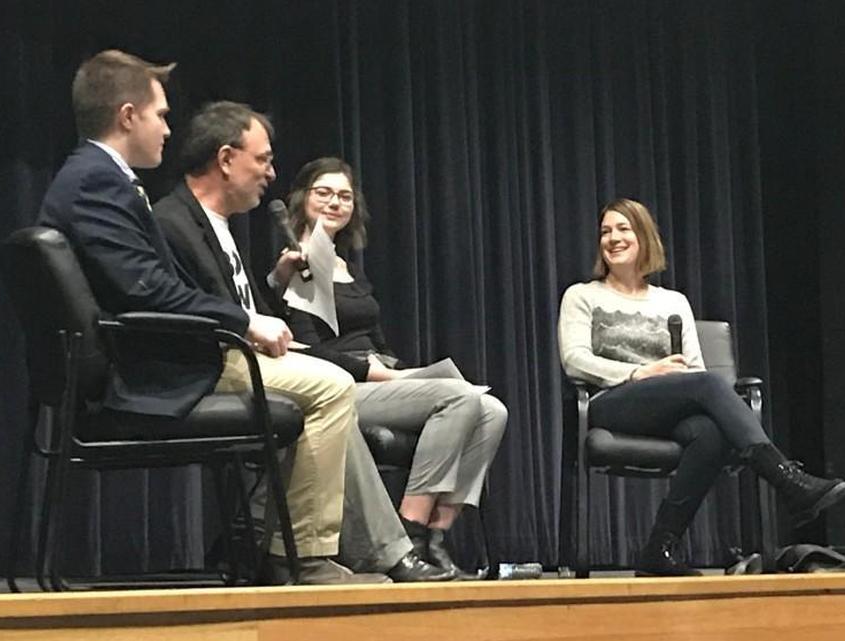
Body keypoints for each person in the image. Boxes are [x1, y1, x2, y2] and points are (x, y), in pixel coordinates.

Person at [36, 50, 374, 585]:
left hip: (156, 355)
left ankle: (269, 541)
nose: (169, 130)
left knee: (322, 384)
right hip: (151, 370)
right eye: (160, 115)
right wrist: (244, 323)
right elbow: (147, 291)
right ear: (128, 116)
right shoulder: (96, 182)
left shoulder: (99, 178)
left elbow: (148, 286)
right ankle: (301, 556)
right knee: (331, 388)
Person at [153, 101, 452, 582]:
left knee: (461, 403)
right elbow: (183, 308)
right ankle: (307, 556)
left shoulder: (218, 226)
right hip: (208, 366)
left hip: (245, 357)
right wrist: (260, 325)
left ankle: (320, 543)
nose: (271, 173)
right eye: (263, 159)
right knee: (332, 389)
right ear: (226, 159)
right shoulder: (174, 222)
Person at [558, 198, 845, 577]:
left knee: (710, 433)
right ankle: (785, 478)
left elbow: (694, 371)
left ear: (643, 236)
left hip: (668, 408)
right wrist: (640, 373)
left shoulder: (672, 301)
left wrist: (674, 378)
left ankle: (659, 548)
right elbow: (575, 360)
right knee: (710, 384)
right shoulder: (583, 295)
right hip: (610, 403)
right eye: (605, 231)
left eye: (623, 229)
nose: (613, 238)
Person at [278, 157, 507, 580]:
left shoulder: (350, 270)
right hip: (339, 387)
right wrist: (386, 376)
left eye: (344, 195)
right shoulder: (294, 266)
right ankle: (408, 533)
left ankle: (436, 538)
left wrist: (409, 372)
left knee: (492, 410)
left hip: (380, 378)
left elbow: (377, 343)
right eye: (324, 193)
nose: (335, 202)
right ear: (302, 199)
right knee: (456, 398)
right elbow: (306, 352)